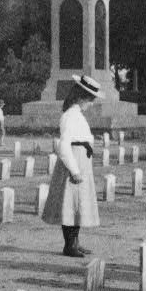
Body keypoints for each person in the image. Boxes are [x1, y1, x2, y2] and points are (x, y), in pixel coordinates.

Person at [41, 74, 102, 257]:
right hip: (73, 164)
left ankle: (75, 241)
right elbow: (64, 146)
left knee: (78, 205)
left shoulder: (78, 115)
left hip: (81, 161)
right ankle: (69, 245)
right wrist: (74, 170)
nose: (91, 104)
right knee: (69, 205)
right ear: (81, 97)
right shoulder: (69, 116)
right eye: (90, 100)